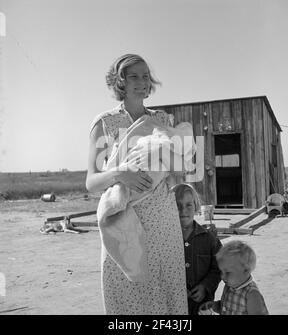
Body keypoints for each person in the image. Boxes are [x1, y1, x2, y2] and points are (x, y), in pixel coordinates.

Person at [86, 54, 190, 314]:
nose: (142, 82)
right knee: (125, 291)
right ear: (120, 81)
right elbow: (91, 182)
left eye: (145, 76)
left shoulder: (163, 121)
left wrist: (180, 165)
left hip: (163, 222)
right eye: (134, 76)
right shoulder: (106, 124)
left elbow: (178, 171)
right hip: (123, 220)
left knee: (165, 289)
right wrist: (121, 173)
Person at [172, 183, 222, 315]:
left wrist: (205, 286)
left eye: (189, 205)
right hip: (172, 305)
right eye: (177, 205)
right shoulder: (165, 241)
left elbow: (219, 268)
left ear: (196, 206)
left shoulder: (209, 238)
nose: (183, 210)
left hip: (201, 307)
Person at [199, 240, 269, 315]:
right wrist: (216, 306)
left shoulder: (251, 294)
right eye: (221, 271)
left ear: (246, 270)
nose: (223, 276)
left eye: (228, 272)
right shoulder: (229, 286)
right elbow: (227, 306)